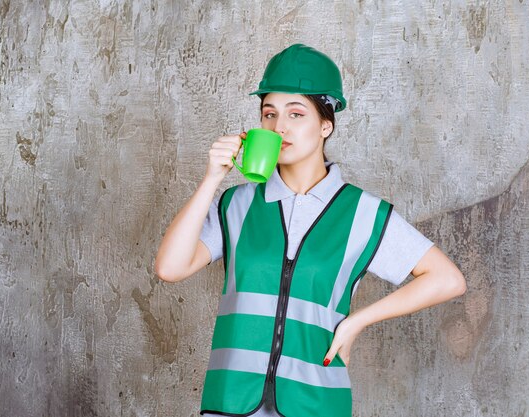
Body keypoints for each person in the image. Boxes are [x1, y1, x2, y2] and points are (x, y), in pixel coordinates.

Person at [154, 43, 466, 417]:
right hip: (230, 403)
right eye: (269, 114)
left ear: (325, 125)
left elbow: (448, 279)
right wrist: (211, 179)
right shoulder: (236, 204)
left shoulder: (363, 214)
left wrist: (357, 322)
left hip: (315, 404)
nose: (279, 126)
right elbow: (169, 269)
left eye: (296, 113)